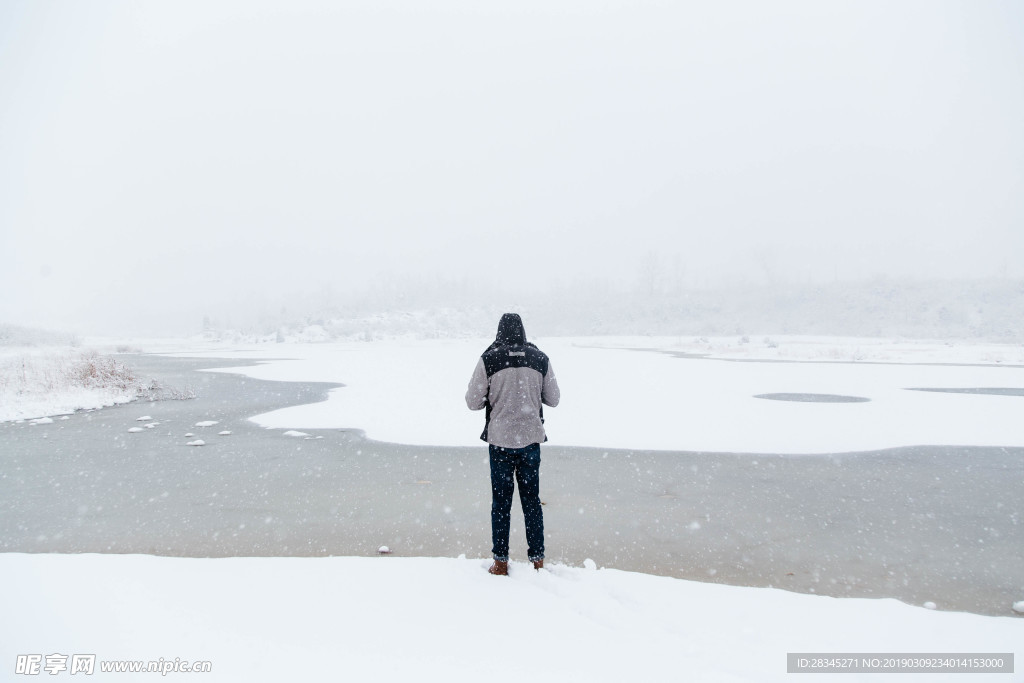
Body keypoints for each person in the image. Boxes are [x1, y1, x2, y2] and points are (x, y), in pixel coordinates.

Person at [465, 313, 560, 576]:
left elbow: (472, 401)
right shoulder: (539, 358)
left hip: (500, 442)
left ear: (499, 332)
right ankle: (538, 562)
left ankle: (500, 562)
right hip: (530, 440)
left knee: (501, 503)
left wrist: (495, 397)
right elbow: (554, 398)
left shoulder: (490, 358)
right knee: (531, 502)